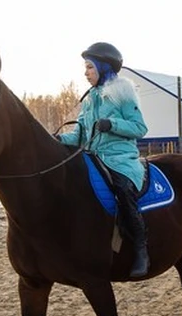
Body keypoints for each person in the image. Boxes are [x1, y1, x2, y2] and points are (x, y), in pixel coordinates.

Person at [59, 42, 150, 278]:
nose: (85, 72)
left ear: (103, 66)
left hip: (120, 158)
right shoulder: (89, 99)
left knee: (122, 189)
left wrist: (113, 124)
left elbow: (140, 127)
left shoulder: (123, 93)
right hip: (93, 156)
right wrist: (57, 140)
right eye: (85, 67)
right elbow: (80, 134)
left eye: (89, 67)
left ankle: (141, 248)